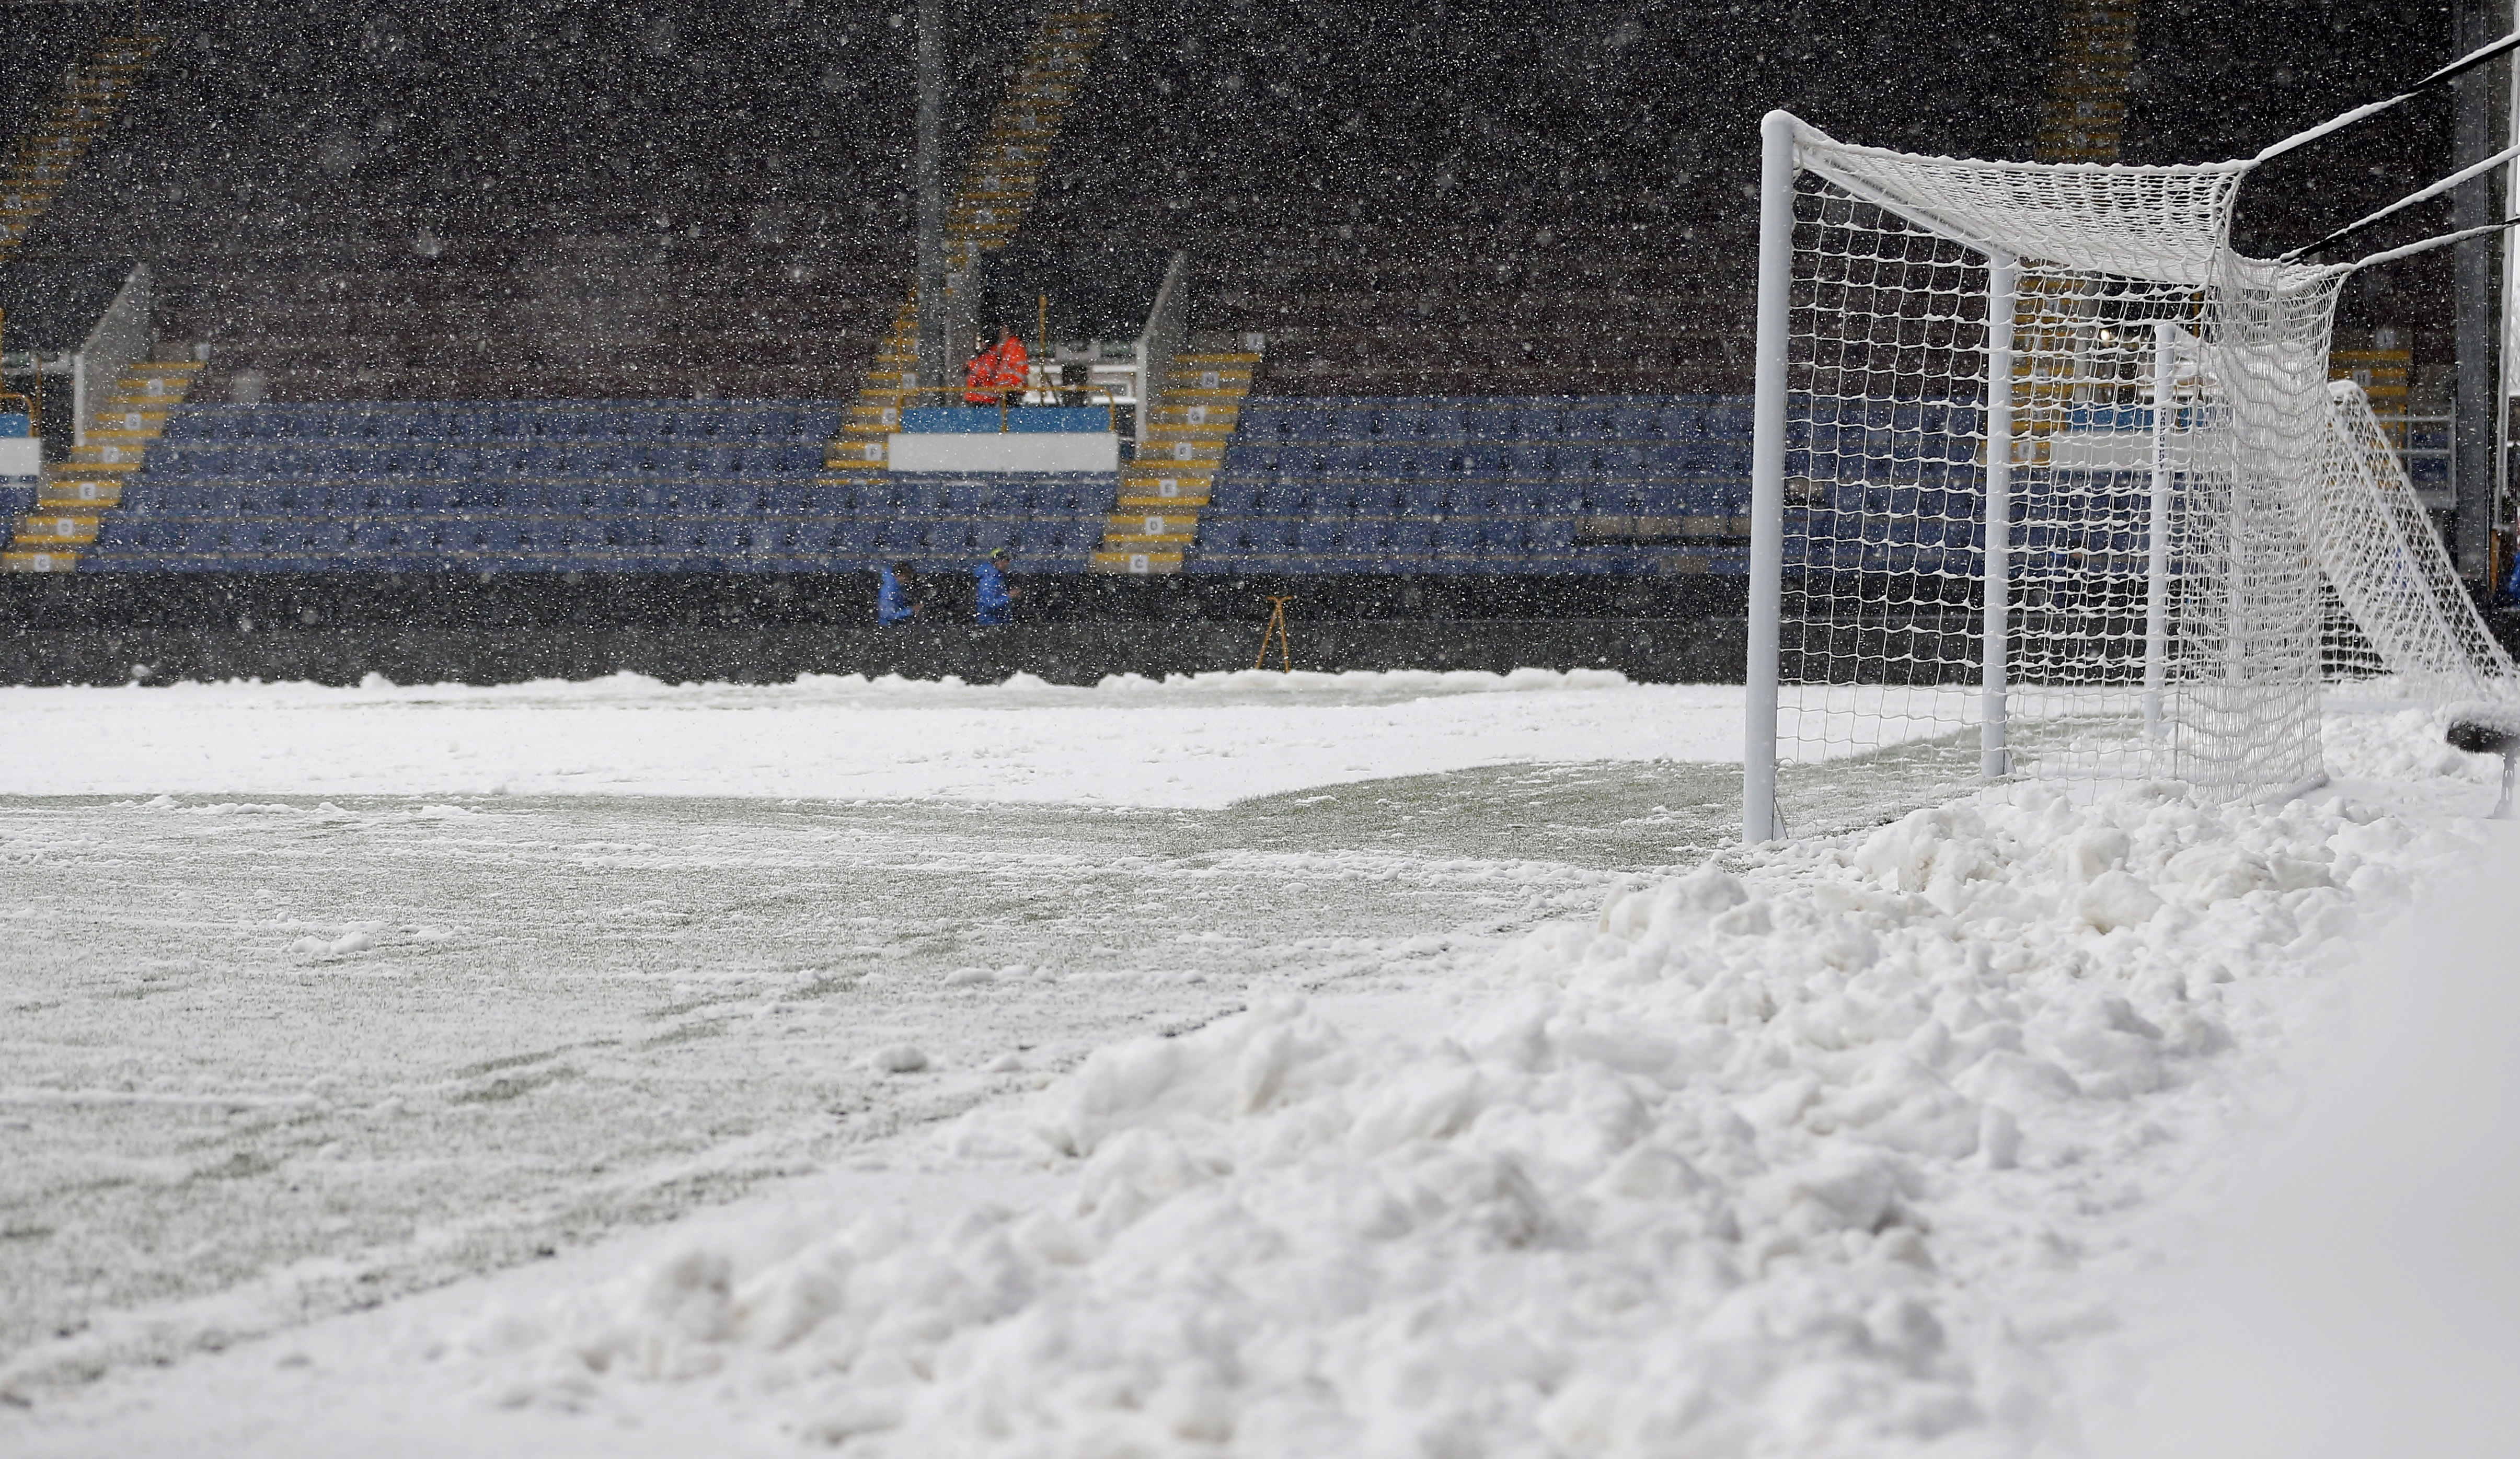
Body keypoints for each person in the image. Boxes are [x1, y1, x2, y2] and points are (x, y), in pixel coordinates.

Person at [975, 546, 1017, 625]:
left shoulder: (998, 578)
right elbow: (988, 605)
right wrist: (1009, 597)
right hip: (990, 623)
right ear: (997, 562)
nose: (1007, 564)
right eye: (1005, 561)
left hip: (997, 622)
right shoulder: (990, 580)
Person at [989, 327, 1030, 408]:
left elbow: (1020, 368)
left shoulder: (1014, 348)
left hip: (1012, 388)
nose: (1002, 335)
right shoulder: (1005, 349)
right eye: (1001, 333)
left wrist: (1017, 383)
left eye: (1004, 332)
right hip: (1006, 388)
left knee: (1010, 409)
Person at [878, 559, 921, 624]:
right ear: (899, 575)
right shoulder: (889, 591)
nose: (907, 581)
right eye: (906, 577)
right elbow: (889, 616)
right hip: (887, 625)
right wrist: (910, 610)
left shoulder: (894, 584)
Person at [962, 333, 999, 408]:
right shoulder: (980, 357)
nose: (980, 345)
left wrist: (970, 365)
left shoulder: (991, 356)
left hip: (985, 399)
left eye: (982, 342)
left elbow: (985, 372)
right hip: (974, 399)